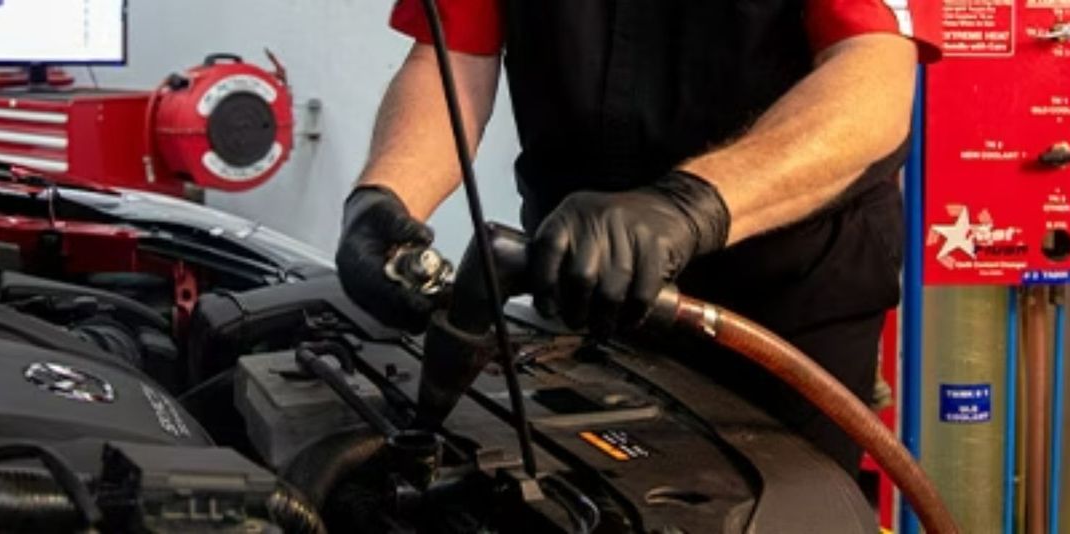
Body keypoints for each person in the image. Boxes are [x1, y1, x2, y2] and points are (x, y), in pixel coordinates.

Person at [337, 0, 940, 476]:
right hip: (583, 277)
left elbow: (874, 80)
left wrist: (690, 204)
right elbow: (452, 60)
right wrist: (383, 198)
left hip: (784, 297)